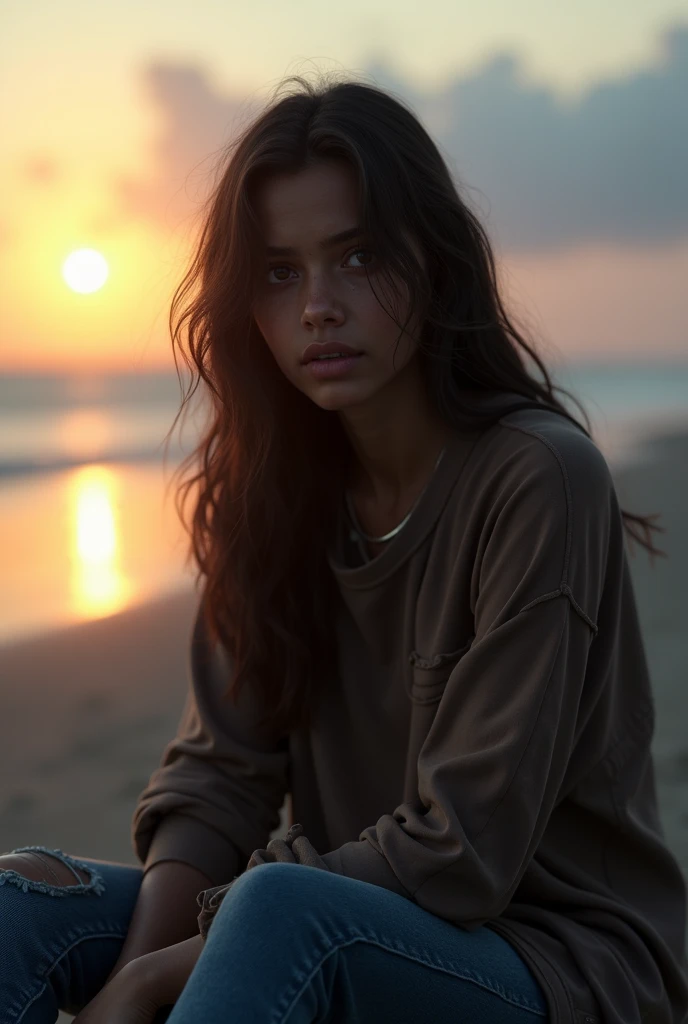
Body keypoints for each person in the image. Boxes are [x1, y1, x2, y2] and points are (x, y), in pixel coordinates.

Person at [1, 72, 687, 1024]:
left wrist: (163, 979)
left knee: (277, 909)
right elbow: (220, 775)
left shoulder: (540, 478)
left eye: (357, 257)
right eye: (280, 272)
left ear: (435, 263)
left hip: (558, 963)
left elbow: (463, 851)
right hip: (339, 923)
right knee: (18, 902)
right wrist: (135, 964)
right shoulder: (275, 494)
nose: (318, 305)